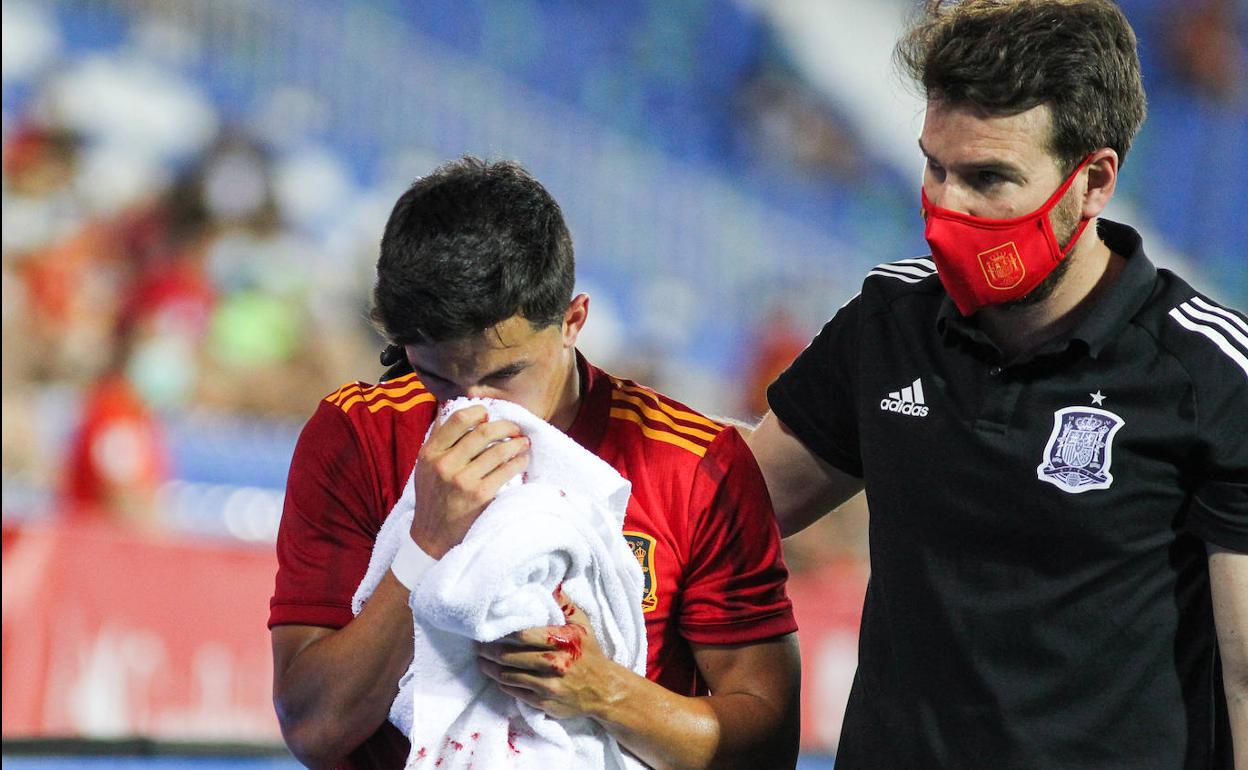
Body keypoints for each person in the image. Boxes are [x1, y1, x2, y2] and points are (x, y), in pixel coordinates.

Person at [745, 1, 1248, 768]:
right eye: (935, 167)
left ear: (1094, 181)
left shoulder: (1209, 375)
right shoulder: (888, 324)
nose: (947, 207)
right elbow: (723, 517)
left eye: (988, 179)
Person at [268, 157, 800, 770]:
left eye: (505, 374)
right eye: (437, 376)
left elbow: (768, 748)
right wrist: (425, 544)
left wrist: (606, 692)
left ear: (573, 321)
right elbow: (312, 727)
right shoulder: (357, 436)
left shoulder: (696, 466)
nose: (474, 407)